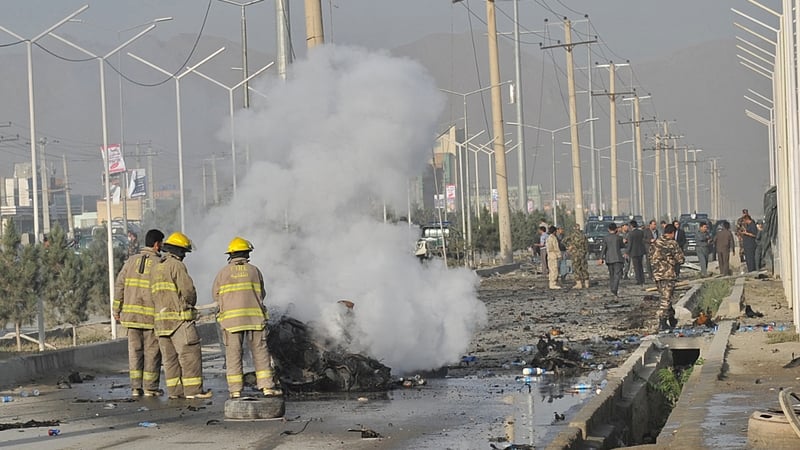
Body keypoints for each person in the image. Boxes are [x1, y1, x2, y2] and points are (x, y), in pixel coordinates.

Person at [213, 237, 282, 398]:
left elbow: (216, 295)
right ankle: (266, 387)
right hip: (254, 320)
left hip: (231, 322)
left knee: (233, 354)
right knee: (260, 353)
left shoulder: (223, 273)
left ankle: (236, 390)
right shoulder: (254, 271)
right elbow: (262, 293)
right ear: (247, 253)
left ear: (231, 254)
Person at [150, 231, 212, 399]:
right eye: (184, 252)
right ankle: (193, 391)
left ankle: (175, 392)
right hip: (179, 321)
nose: (184, 255)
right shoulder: (176, 265)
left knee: (170, 360)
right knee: (190, 354)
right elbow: (188, 290)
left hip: (161, 323)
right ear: (178, 251)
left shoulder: (157, 267)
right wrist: (190, 303)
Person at [113, 229, 165, 398]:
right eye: (161, 243)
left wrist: (116, 309)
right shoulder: (160, 263)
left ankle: (136, 387)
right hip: (151, 318)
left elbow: (119, 285)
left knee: (134, 352)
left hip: (131, 317)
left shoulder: (131, 261)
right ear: (157, 244)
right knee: (152, 353)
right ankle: (150, 388)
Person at [649, 223, 686, 331]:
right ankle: (662, 322)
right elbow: (681, 259)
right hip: (668, 275)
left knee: (666, 297)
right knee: (666, 299)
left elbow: (650, 257)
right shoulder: (672, 243)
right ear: (673, 233)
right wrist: (672, 261)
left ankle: (671, 317)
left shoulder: (656, 242)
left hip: (657, 275)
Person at [598, 222, 625, 296]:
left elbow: (603, 249)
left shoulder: (606, 238)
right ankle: (614, 289)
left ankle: (612, 288)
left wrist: (601, 258)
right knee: (617, 274)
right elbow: (622, 246)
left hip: (609, 259)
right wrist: (625, 242)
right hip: (618, 258)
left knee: (611, 274)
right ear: (616, 229)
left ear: (608, 229)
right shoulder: (619, 238)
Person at [564, 224, 590, 289]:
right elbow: (587, 246)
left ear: (574, 228)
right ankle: (586, 283)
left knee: (576, 268)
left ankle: (579, 283)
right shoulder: (583, 235)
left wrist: (569, 246)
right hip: (582, 254)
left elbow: (564, 241)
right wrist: (585, 252)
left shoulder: (572, 235)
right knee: (584, 267)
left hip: (575, 254)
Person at [626, 220, 646, 285]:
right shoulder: (641, 232)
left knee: (636, 267)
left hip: (634, 252)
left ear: (631, 226)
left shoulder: (630, 234)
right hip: (641, 251)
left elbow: (630, 244)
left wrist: (627, 252)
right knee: (640, 266)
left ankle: (638, 280)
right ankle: (642, 279)